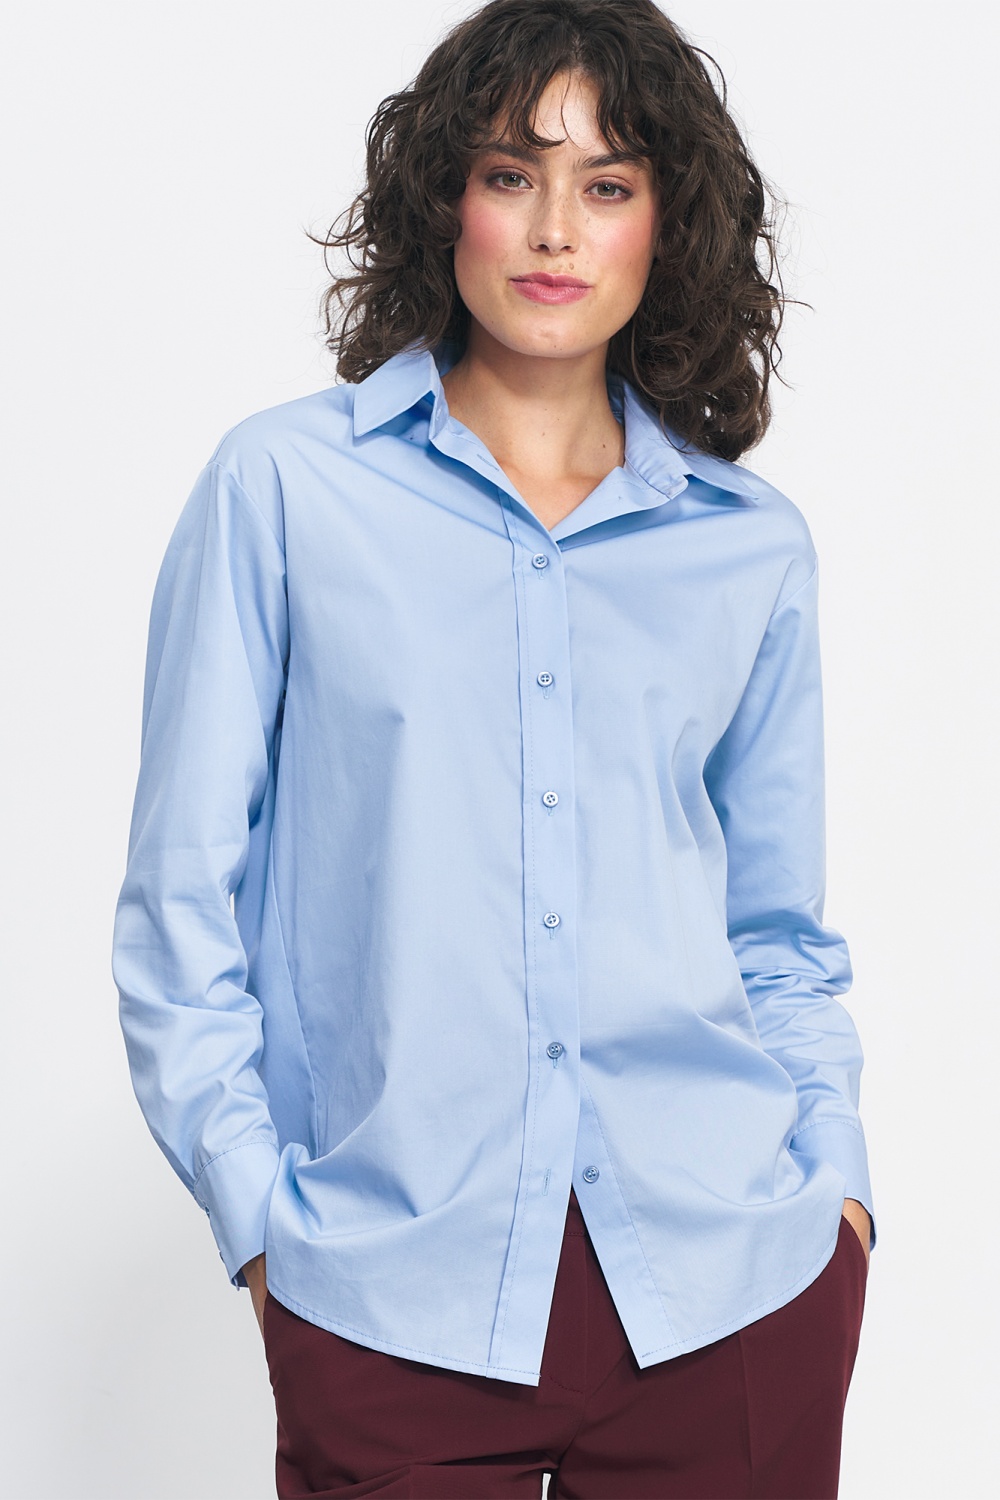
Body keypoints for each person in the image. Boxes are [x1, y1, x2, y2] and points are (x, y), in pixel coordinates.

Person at [112, 1, 876, 1495]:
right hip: (391, 1291)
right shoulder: (284, 490)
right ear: (443, 201)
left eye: (608, 184)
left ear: (667, 224)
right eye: (511, 174)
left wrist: (835, 1188)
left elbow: (777, 930)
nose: (554, 229)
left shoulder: (750, 547)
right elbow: (180, 902)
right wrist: (261, 1220)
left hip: (728, 1289)